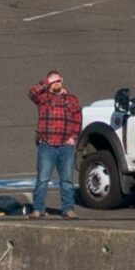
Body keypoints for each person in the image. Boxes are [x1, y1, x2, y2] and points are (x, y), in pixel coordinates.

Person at [29, 70, 82, 219]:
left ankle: (68, 209)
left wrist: (74, 137)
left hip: (66, 146)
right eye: (54, 81)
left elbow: (78, 117)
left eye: (59, 81)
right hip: (47, 145)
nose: (57, 84)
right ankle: (38, 209)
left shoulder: (71, 98)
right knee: (43, 179)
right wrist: (47, 82)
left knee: (67, 180)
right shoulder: (43, 97)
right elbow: (32, 93)